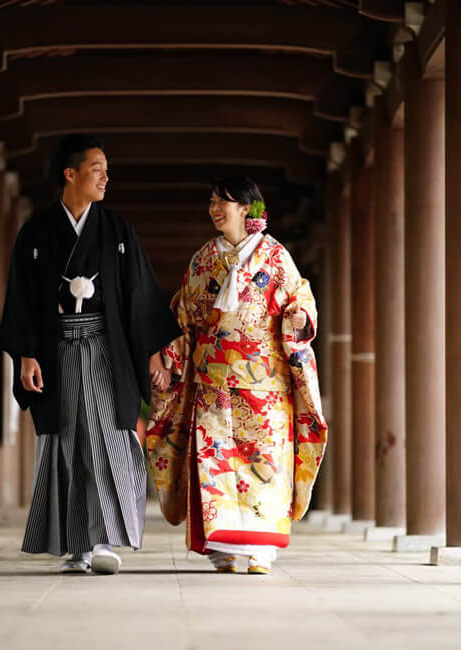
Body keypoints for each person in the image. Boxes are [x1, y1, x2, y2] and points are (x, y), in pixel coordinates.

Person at [0, 134, 179, 575]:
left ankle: (103, 540)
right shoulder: (36, 233)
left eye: (106, 169)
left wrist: (154, 353)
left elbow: (139, 296)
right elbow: (20, 297)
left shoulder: (117, 231)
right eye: (97, 168)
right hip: (56, 350)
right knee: (65, 441)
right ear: (70, 173)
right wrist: (26, 355)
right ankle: (75, 546)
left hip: (106, 350)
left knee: (112, 439)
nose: (105, 177)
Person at [144, 176, 328, 574]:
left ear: (247, 209)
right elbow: (183, 317)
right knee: (216, 465)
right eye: (211, 201)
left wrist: (299, 317)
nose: (215, 209)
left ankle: (262, 550)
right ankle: (224, 547)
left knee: (265, 466)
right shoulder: (203, 260)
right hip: (213, 383)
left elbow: (300, 297)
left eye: (223, 202)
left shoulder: (276, 257)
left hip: (265, 383)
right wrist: (168, 356)